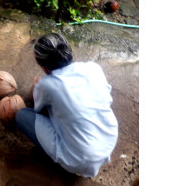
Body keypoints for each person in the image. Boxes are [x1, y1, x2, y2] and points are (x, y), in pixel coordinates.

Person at [15, 33, 119, 178]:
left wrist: (35, 86)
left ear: (44, 67)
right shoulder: (93, 68)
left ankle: (59, 164)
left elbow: (36, 106)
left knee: (22, 116)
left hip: (81, 159)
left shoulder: (47, 85)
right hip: (108, 141)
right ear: (69, 53)